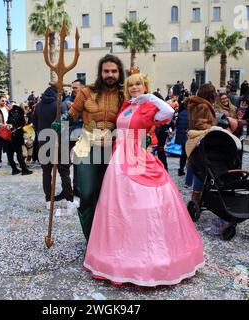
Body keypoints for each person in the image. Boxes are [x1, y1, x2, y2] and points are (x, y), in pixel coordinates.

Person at [83, 73, 204, 287]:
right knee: (118, 207)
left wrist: (150, 97)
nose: (134, 88)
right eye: (131, 85)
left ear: (145, 86)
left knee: (141, 205)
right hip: (118, 157)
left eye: (138, 84)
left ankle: (146, 257)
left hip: (136, 156)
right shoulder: (127, 106)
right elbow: (119, 129)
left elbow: (168, 112)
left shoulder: (149, 106)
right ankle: (118, 254)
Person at [53, 54, 125, 240]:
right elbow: (72, 113)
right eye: (106, 70)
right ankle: (91, 240)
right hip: (88, 146)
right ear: (100, 72)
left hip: (115, 148)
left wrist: (145, 135)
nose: (110, 74)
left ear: (119, 73)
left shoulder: (125, 94)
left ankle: (112, 239)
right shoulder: (86, 92)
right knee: (86, 192)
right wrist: (62, 121)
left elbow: (136, 116)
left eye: (114, 71)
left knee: (115, 196)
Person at [34, 86, 73, 203]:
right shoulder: (60, 105)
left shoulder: (38, 106)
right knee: (64, 172)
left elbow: (34, 123)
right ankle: (69, 197)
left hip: (43, 140)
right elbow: (66, 123)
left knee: (46, 172)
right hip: (60, 141)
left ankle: (48, 198)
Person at [6, 104, 33, 176]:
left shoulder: (11, 111)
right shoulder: (19, 112)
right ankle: (24, 169)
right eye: (26, 108)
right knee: (19, 153)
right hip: (16, 136)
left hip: (9, 135)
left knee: (10, 153)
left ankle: (14, 169)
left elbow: (9, 121)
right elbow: (18, 122)